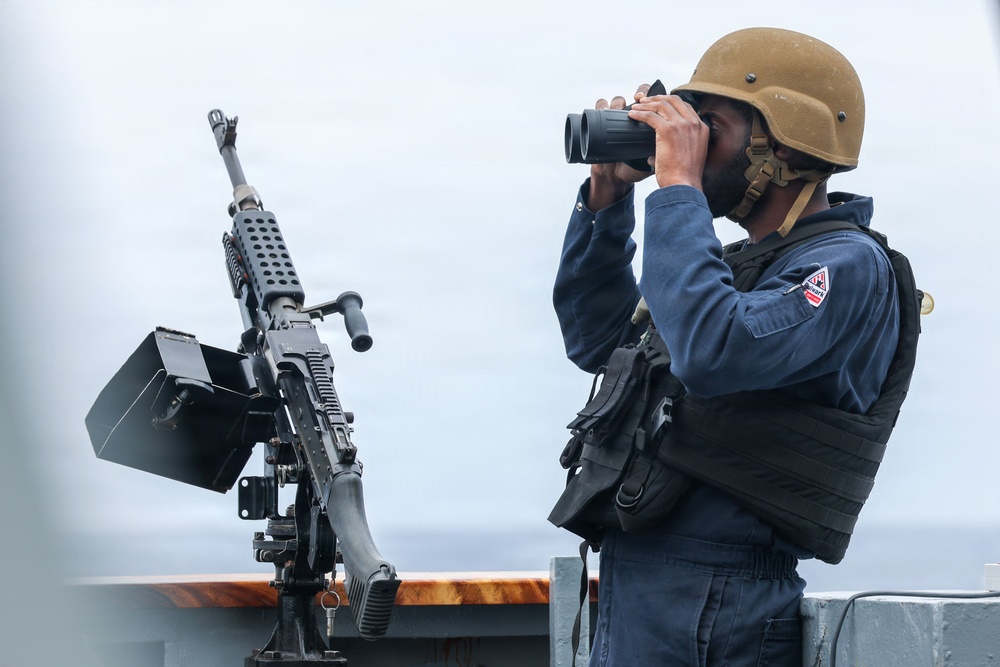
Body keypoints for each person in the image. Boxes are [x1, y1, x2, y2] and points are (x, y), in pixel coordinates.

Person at [549, 28, 918, 666]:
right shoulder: (735, 268)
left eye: (708, 126)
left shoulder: (846, 268)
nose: (688, 140)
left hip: (720, 599)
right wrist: (608, 201)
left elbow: (715, 352)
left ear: (782, 143)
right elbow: (598, 340)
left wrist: (677, 193)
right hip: (648, 584)